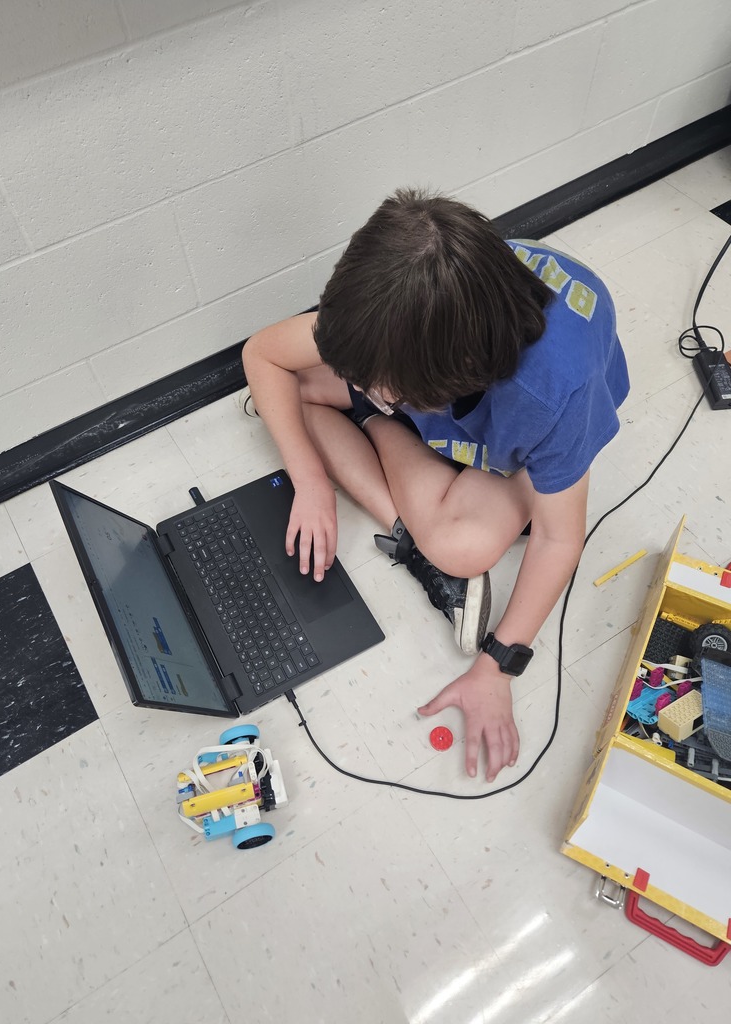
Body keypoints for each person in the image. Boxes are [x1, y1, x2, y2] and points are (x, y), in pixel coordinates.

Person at [242, 187, 629, 782]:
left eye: (378, 389)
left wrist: (496, 668)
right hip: (442, 369)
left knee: (461, 548)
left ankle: (374, 430)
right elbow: (262, 355)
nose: (361, 385)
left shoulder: (552, 396)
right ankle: (398, 498)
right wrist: (311, 481)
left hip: (523, 430)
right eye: (362, 383)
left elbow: (559, 539)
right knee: (287, 394)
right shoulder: (399, 303)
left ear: (446, 381)